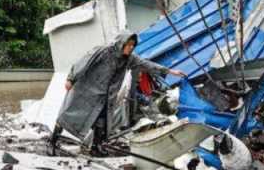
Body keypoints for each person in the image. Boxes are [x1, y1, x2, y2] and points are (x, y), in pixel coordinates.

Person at [50, 31, 185, 155]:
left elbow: (147, 64)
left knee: (101, 121)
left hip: (104, 97)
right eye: (129, 44)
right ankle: (53, 140)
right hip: (86, 90)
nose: (131, 48)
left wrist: (170, 71)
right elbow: (84, 62)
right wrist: (71, 78)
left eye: (133, 45)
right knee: (67, 114)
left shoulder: (129, 59)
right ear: (122, 43)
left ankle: (95, 148)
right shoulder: (104, 51)